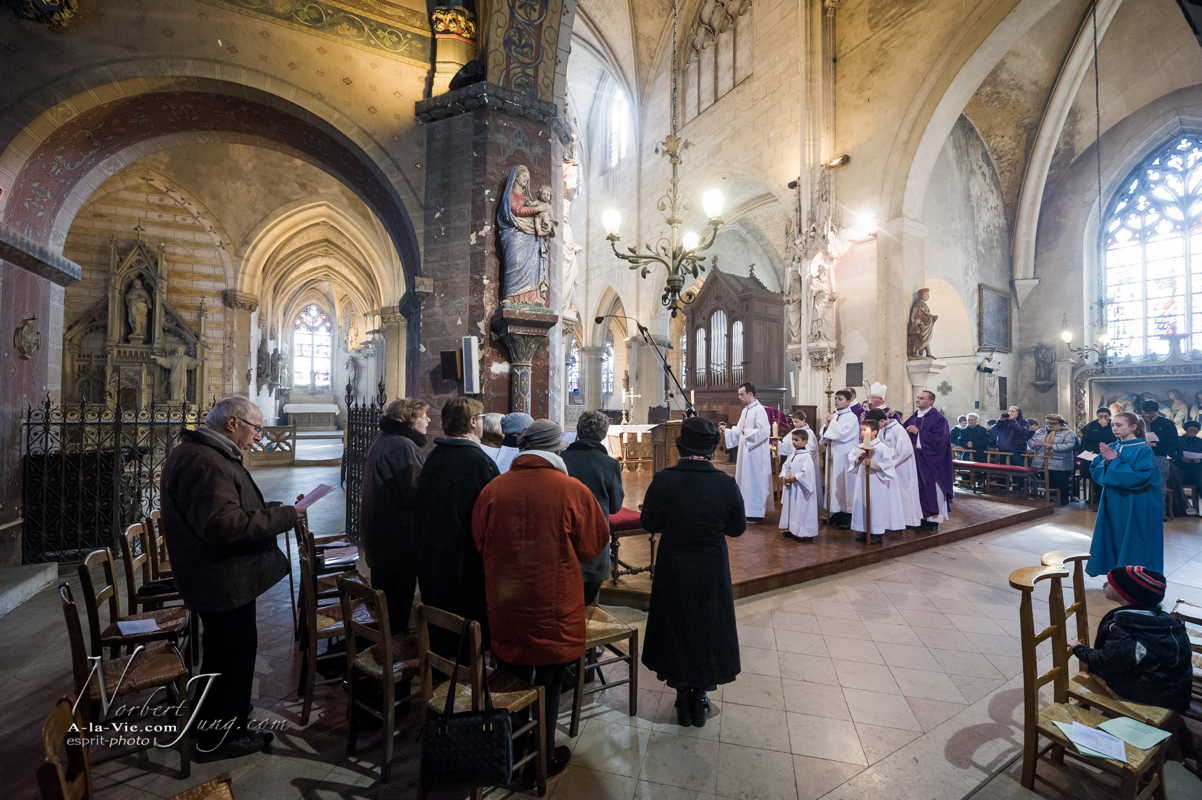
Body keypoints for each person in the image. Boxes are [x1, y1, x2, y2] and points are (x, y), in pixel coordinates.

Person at [161, 396, 297, 760]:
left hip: (217, 576)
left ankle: (219, 719)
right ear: (233, 424)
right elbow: (224, 526)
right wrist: (285, 519)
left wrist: (275, 510)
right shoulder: (206, 462)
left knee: (224, 655)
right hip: (221, 578)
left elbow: (230, 510)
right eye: (255, 427)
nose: (259, 435)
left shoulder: (203, 455)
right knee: (231, 656)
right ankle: (220, 737)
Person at [472, 419, 609, 779]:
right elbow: (593, 544)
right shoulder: (572, 490)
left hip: (506, 604)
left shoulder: (494, 488)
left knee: (512, 677)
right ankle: (541, 756)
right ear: (555, 450)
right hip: (554, 604)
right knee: (548, 682)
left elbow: (479, 539)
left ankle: (510, 749)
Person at [641, 417, 744, 728]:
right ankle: (698, 696)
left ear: (679, 445)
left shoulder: (664, 480)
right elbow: (737, 528)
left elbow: (649, 523)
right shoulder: (725, 484)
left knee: (676, 622)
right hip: (710, 565)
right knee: (706, 623)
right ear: (713, 449)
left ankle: (682, 691)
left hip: (674, 562)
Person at [415, 398, 499, 652]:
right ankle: (466, 679)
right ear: (473, 422)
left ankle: (439, 670)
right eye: (482, 418)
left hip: (432, 555)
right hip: (465, 561)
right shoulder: (479, 462)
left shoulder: (434, 456)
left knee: (441, 624)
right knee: (467, 631)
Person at [1070, 566, 1192, 712]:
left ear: (1125, 594)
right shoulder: (1167, 621)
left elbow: (1108, 661)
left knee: (1105, 674)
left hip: (1149, 698)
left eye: (1110, 583)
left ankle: (1120, 715)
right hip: (1175, 694)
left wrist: (1079, 649)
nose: (1104, 584)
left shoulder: (1125, 628)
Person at [360, 398, 427, 631]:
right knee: (398, 599)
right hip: (397, 536)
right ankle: (392, 652)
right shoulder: (402, 445)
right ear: (409, 419)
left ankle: (386, 642)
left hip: (382, 533)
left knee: (387, 596)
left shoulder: (385, 439)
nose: (428, 420)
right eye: (423, 416)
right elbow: (413, 492)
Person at [1087, 411, 1163, 576]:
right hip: (1112, 502)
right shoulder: (1113, 446)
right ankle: (1115, 575)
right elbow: (1096, 469)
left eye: (1119, 425)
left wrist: (1114, 461)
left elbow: (1139, 478)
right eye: (1113, 425)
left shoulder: (1143, 450)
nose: (1114, 428)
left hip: (1134, 503)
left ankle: (1132, 579)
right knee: (1112, 537)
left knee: (1132, 540)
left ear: (1134, 427)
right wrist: (1105, 461)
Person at [560, 410, 624, 603]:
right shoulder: (609, 464)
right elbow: (615, 507)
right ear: (604, 434)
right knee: (590, 606)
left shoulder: (561, 458)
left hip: (564, 540)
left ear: (579, 430)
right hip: (595, 543)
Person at [719, 382, 772, 523]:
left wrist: (745, 432)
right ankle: (746, 511)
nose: (739, 397)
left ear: (750, 394)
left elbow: (764, 431)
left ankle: (756, 513)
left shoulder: (759, 410)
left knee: (754, 482)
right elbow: (738, 430)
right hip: (746, 453)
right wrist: (728, 431)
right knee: (745, 481)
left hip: (755, 454)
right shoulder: (746, 410)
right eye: (739, 394)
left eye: (741, 394)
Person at [848, 417, 904, 544]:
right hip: (862, 480)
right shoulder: (860, 446)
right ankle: (863, 529)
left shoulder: (883, 448)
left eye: (864, 430)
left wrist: (872, 463)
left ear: (874, 432)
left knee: (875, 506)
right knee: (862, 503)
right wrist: (859, 458)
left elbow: (888, 466)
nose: (861, 433)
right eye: (861, 430)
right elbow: (851, 459)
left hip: (876, 483)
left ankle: (876, 532)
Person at [904, 390, 954, 531]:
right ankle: (918, 517)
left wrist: (919, 433)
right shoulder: (913, 417)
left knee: (932, 490)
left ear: (931, 401)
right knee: (916, 489)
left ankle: (932, 521)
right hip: (915, 461)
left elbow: (940, 441)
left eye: (921, 398)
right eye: (917, 398)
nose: (917, 400)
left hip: (932, 463)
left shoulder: (939, 419)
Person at [874, 409, 922, 528]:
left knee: (904, 492)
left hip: (901, 466)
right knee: (893, 495)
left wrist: (890, 462)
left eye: (877, 424)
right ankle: (894, 521)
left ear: (882, 420)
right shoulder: (883, 429)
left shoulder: (898, 429)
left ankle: (908, 520)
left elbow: (906, 450)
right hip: (890, 466)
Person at [822, 389, 860, 529]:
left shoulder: (852, 417)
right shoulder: (835, 415)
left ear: (849, 401)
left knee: (845, 484)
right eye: (836, 398)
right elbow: (825, 433)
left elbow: (842, 434)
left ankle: (847, 514)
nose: (836, 401)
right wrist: (826, 425)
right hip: (833, 454)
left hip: (845, 455)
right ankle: (835, 511)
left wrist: (832, 423)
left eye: (840, 399)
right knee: (833, 483)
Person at [1142, 401, 1186, 516]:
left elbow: (1173, 441)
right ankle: (1142, 513)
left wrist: (1157, 444)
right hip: (1141, 457)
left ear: (1156, 412)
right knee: (1140, 485)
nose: (1148, 416)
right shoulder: (1138, 423)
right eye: (1146, 413)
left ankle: (1159, 514)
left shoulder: (1166, 423)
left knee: (1159, 486)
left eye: (1151, 413)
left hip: (1159, 457)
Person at [1027, 414, 1078, 506]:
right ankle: (1048, 497)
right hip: (1042, 461)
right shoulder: (1040, 431)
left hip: (1060, 462)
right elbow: (1031, 442)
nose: (1050, 425)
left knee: (1059, 481)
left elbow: (1070, 445)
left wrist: (1052, 446)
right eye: (1049, 423)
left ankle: (1061, 500)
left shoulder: (1068, 432)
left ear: (1060, 423)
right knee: (1045, 480)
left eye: (1053, 423)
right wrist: (1034, 444)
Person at [779, 428, 818, 541]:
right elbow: (786, 466)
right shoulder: (793, 454)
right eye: (793, 440)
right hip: (792, 488)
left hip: (802, 490)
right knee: (793, 509)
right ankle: (793, 530)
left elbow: (807, 473)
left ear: (805, 441)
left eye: (797, 440)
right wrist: (785, 476)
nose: (794, 442)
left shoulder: (807, 456)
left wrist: (795, 478)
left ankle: (805, 533)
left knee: (802, 510)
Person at [1079, 407, 1117, 507]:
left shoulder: (1114, 425)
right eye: (1100, 416)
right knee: (1093, 475)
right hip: (1093, 455)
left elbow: (1115, 440)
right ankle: (1094, 497)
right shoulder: (1091, 425)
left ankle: (1106, 499)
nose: (1103, 418)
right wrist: (1087, 451)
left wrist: (1104, 428)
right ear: (1097, 416)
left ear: (1109, 416)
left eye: (1105, 416)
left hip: (1110, 456)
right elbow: (1084, 441)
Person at [1181, 420, 1202, 514]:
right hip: (1181, 469)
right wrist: (1181, 458)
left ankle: (1195, 509)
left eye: (1195, 430)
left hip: (1197, 469)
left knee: (1199, 475)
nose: (1193, 431)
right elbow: (1171, 452)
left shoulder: (1200, 441)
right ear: (1186, 430)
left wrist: (1200, 460)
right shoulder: (1178, 440)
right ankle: (1186, 507)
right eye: (1191, 429)